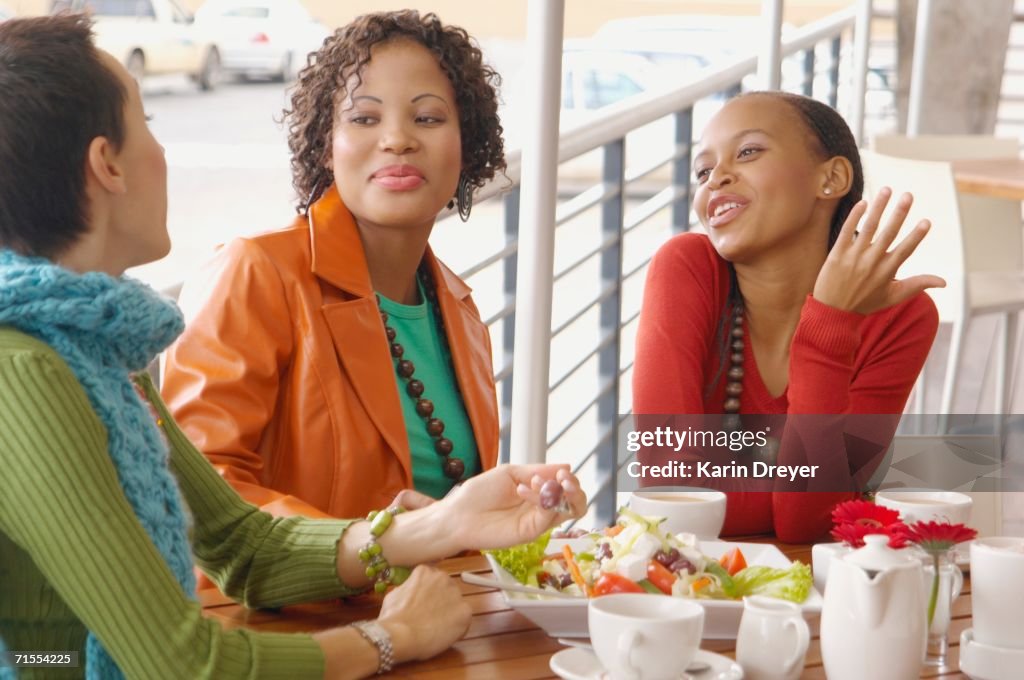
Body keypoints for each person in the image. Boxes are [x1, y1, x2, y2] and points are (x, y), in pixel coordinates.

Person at [0, 14, 585, 680]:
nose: (397, 140)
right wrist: (390, 637)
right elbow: (182, 664)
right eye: (150, 126)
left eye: (428, 119)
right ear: (107, 163)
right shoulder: (30, 372)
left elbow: (242, 543)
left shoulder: (101, 356)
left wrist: (444, 526)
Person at [159, 10, 505, 520]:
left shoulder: (461, 310)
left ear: (467, 146)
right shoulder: (256, 272)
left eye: (428, 118)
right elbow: (199, 488)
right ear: (326, 145)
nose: (397, 140)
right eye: (364, 118)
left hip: (441, 600)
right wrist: (373, 549)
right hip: (295, 602)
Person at [633, 91, 942, 543]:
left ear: (831, 178)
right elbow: (670, 492)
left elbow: (807, 524)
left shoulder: (901, 317)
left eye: (748, 152)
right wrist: (796, 491)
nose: (715, 178)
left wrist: (831, 323)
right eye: (702, 171)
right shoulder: (685, 268)